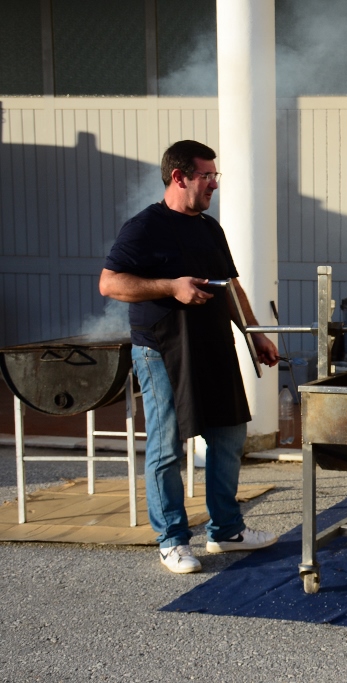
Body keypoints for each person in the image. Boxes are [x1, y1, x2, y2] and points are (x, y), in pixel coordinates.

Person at [99, 140, 281, 574]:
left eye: (216, 176)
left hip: (213, 346)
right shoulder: (143, 228)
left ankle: (227, 531)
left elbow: (231, 286)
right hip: (161, 349)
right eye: (207, 176)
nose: (214, 184)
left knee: (229, 436)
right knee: (166, 446)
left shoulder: (209, 228)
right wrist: (170, 286)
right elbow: (110, 284)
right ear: (179, 177)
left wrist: (254, 334)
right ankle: (172, 541)